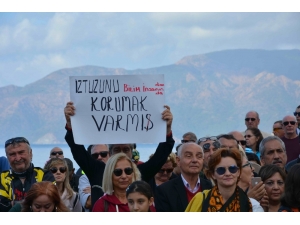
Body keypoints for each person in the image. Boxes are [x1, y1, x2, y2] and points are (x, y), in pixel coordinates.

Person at [64, 101, 175, 209]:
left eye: (126, 149)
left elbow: (160, 156)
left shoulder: (140, 172)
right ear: (110, 152)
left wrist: (167, 129)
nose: (122, 153)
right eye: (117, 149)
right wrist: (71, 125)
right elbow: (78, 152)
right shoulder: (97, 170)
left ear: (132, 152)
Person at [185, 148, 263, 212]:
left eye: (232, 169)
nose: (227, 173)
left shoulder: (253, 206)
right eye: (221, 170)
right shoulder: (201, 200)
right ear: (213, 174)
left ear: (238, 172)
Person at [0, 137, 55, 212]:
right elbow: (2, 208)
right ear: (7, 157)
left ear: (30, 153)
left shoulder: (45, 175)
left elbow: (49, 202)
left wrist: (14, 203)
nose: (18, 158)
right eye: (12, 154)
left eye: (21, 152)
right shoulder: (2, 178)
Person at [155, 142, 212, 212]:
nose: (194, 160)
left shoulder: (211, 187)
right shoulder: (164, 191)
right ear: (178, 161)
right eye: (188, 156)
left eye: (199, 156)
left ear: (203, 161)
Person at [78, 144, 110, 212]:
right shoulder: (84, 178)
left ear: (110, 155)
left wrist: (95, 191)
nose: (99, 157)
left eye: (103, 154)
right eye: (95, 156)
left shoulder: (119, 173)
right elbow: (88, 203)